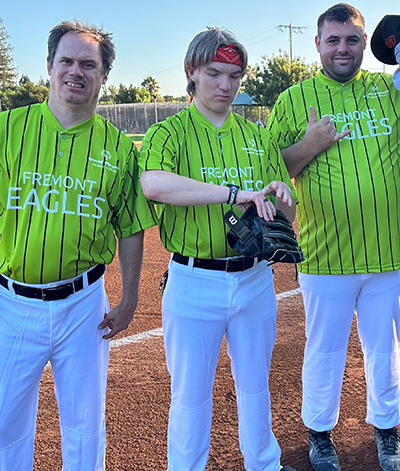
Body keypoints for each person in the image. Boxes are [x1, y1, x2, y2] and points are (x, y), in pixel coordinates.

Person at [267, 3, 400, 471]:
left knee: (385, 350)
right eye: (333, 40)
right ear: (317, 44)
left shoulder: (389, 90)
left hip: (386, 253)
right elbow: (271, 172)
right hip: (324, 256)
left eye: (352, 39)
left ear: (364, 42)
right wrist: (310, 144)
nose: (342, 48)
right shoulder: (293, 99)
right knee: (324, 351)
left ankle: (386, 431)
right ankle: (320, 434)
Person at [0, 19, 156, 470]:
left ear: (103, 76)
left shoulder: (119, 148)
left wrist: (129, 298)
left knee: (85, 426)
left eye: (88, 64)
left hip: (84, 304)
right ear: (49, 66)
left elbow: (130, 227)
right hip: (11, 303)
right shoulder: (3, 130)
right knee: (4, 426)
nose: (76, 71)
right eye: (66, 60)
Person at [138, 27, 297, 471]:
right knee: (190, 393)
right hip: (194, 279)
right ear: (191, 72)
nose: (225, 85)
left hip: (254, 277)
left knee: (255, 385)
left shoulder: (257, 135)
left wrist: (282, 196)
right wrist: (231, 193)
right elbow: (153, 184)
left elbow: (285, 208)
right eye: (214, 73)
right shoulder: (168, 133)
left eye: (234, 76)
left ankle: (264, 463)